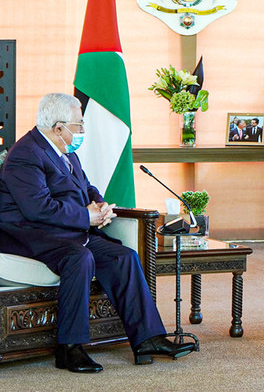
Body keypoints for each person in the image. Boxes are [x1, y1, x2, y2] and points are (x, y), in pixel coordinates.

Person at [0, 93, 195, 372]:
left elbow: (86, 187)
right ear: (58, 128)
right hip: (30, 234)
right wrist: (86, 216)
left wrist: (99, 206)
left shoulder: (66, 151)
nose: (82, 131)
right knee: (79, 258)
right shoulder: (25, 155)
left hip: (67, 231)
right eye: (79, 125)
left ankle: (148, 339)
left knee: (123, 257)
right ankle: (70, 349)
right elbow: (38, 209)